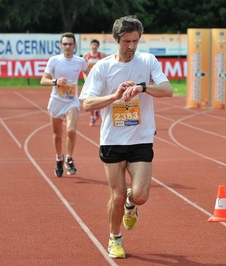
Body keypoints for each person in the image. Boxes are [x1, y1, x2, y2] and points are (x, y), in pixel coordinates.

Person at [79, 15, 173, 259]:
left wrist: (142, 87)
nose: (131, 46)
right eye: (126, 41)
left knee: (139, 195)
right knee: (117, 196)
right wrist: (114, 96)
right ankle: (115, 238)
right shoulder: (103, 67)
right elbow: (87, 103)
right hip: (112, 140)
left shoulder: (148, 61)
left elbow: (168, 90)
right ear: (116, 40)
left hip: (141, 138)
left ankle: (132, 207)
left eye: (135, 41)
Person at [40, 32, 87, 177]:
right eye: (65, 44)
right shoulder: (54, 61)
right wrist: (55, 81)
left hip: (72, 100)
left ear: (75, 46)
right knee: (57, 134)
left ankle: (69, 159)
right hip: (56, 101)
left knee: (71, 130)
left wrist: (88, 86)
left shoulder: (80, 61)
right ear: (61, 46)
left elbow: (87, 73)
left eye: (70, 44)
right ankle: (59, 158)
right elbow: (43, 80)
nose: (67, 46)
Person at [82, 39, 107, 127]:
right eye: (93, 45)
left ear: (98, 46)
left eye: (96, 45)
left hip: (100, 80)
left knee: (100, 98)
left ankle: (97, 111)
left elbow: (106, 67)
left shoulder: (102, 55)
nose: (94, 47)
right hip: (90, 81)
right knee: (89, 99)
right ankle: (92, 116)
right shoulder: (86, 55)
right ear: (90, 46)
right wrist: (86, 80)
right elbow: (84, 70)